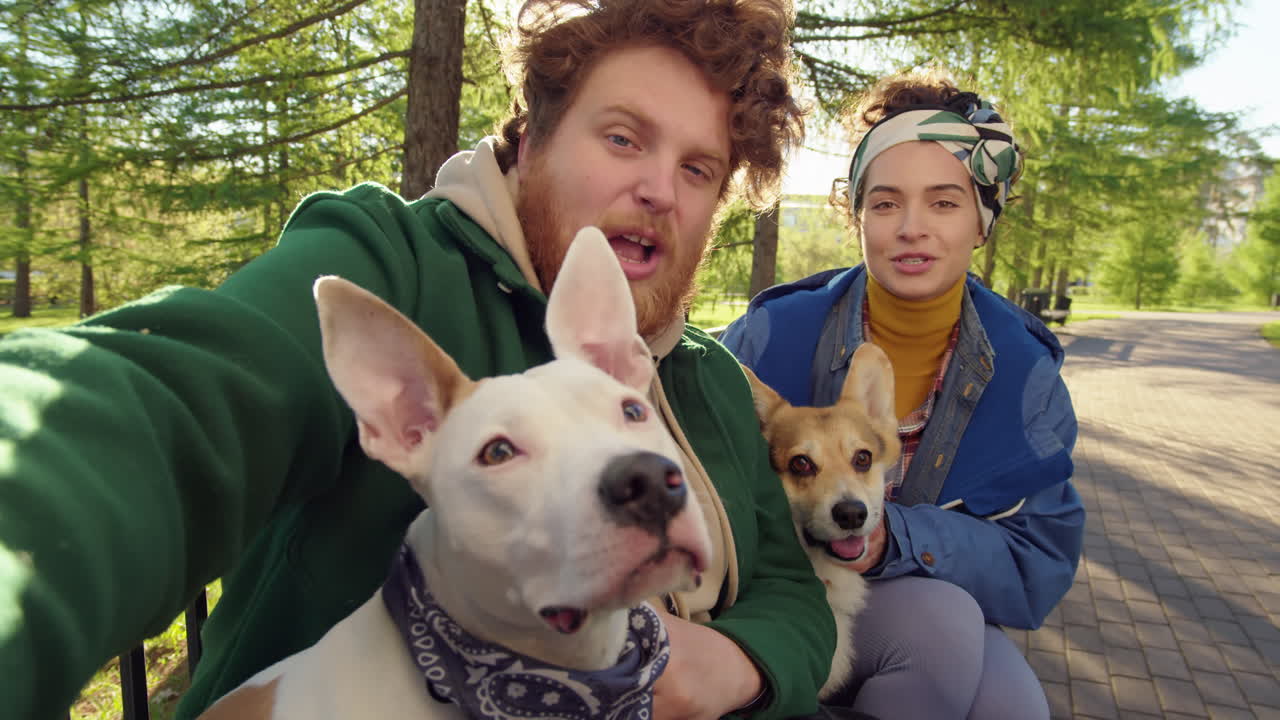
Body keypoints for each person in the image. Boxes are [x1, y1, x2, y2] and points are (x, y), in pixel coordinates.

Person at [0, 2, 837, 719]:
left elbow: (790, 591)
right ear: (531, 141)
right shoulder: (393, 268)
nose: (661, 187)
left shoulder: (713, 379)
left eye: (699, 168)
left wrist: (731, 667)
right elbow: (173, 401)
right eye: (623, 137)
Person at [720, 69, 1086, 720]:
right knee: (942, 628)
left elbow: (1039, 564)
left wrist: (898, 539)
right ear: (857, 215)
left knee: (1015, 707)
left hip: (926, 591)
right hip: (781, 594)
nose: (912, 227)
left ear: (983, 220)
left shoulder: (1027, 377)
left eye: (944, 202)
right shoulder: (771, 335)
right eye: (886, 203)